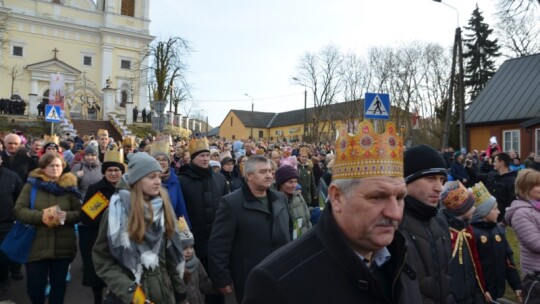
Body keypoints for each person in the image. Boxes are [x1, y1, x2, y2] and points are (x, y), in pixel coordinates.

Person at [243, 121, 421, 303]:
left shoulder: (403, 255)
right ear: (336, 197)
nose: (395, 214)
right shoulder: (275, 281)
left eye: (400, 198)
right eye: (376, 197)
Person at [92, 152, 187, 303]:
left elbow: (171, 256)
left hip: (163, 293)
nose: (158, 182)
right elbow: (102, 259)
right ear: (137, 180)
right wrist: (133, 295)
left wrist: (180, 291)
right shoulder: (116, 211)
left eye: (159, 176)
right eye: (151, 177)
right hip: (130, 296)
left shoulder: (163, 207)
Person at [209, 155, 291, 302]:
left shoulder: (280, 198)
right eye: (263, 172)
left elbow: (288, 232)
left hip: (280, 271)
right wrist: (221, 278)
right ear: (249, 176)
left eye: (271, 171)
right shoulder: (231, 203)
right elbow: (219, 245)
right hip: (249, 277)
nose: (269, 176)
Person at [13, 152, 82, 304]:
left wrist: (61, 216)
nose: (55, 168)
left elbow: (79, 213)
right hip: (35, 245)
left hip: (63, 246)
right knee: (35, 286)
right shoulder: (31, 186)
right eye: (52, 165)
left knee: (59, 287)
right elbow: (19, 210)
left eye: (58, 165)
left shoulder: (70, 188)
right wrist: (42, 217)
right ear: (43, 168)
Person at [399, 144, 454, 303]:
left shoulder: (440, 222)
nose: (439, 188)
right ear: (407, 180)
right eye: (430, 178)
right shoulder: (392, 225)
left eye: (442, 179)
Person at [78, 145, 124, 304]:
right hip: (99, 237)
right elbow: (87, 217)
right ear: (104, 172)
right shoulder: (97, 189)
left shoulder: (128, 190)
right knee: (97, 273)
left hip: (122, 239)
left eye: (117, 170)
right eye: (110, 170)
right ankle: (98, 298)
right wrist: (110, 223)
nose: (113, 173)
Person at [177, 136, 228, 271]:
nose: (205, 159)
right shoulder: (181, 180)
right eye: (201, 156)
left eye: (207, 155)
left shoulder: (220, 178)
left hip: (217, 238)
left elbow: (226, 208)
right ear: (192, 158)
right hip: (194, 240)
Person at [469, 182, 522, 303]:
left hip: (497, 289)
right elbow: (472, 267)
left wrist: (516, 285)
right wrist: (482, 289)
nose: (499, 211)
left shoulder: (498, 230)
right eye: (495, 208)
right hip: (481, 293)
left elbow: (508, 258)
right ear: (483, 212)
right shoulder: (472, 233)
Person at [441, 180, 491, 303]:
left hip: (471, 295)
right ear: (461, 209)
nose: (474, 208)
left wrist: (481, 291)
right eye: (471, 205)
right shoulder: (447, 234)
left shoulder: (467, 230)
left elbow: (475, 265)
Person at [505, 168, 540, 276]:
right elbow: (536, 244)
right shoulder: (520, 214)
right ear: (525, 188)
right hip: (536, 273)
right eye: (537, 185)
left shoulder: (537, 207)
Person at [150, 139, 190, 224]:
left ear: (168, 163)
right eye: (157, 159)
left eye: (164, 160)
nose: (161, 162)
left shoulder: (175, 181)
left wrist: (186, 227)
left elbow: (181, 208)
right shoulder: (146, 182)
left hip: (171, 228)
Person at [179, 217, 218, 304]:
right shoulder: (175, 269)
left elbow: (204, 283)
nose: (189, 251)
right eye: (184, 248)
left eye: (191, 247)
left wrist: (218, 286)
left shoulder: (196, 262)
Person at [470, 152, 517, 223]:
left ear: (501, 163)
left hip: (500, 218)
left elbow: (511, 202)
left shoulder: (512, 181)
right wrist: (470, 168)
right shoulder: (492, 174)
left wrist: (504, 221)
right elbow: (477, 176)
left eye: (495, 161)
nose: (493, 163)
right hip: (486, 214)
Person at [0, 157, 23, 292]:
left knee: (3, 255)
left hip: (6, 223)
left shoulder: (12, 177)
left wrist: (16, 216)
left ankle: (3, 278)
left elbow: (20, 198)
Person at [274, 164, 312, 240]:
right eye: (290, 182)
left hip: (301, 242)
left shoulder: (299, 197)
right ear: (281, 183)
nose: (294, 185)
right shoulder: (274, 201)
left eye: (296, 182)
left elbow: (307, 222)